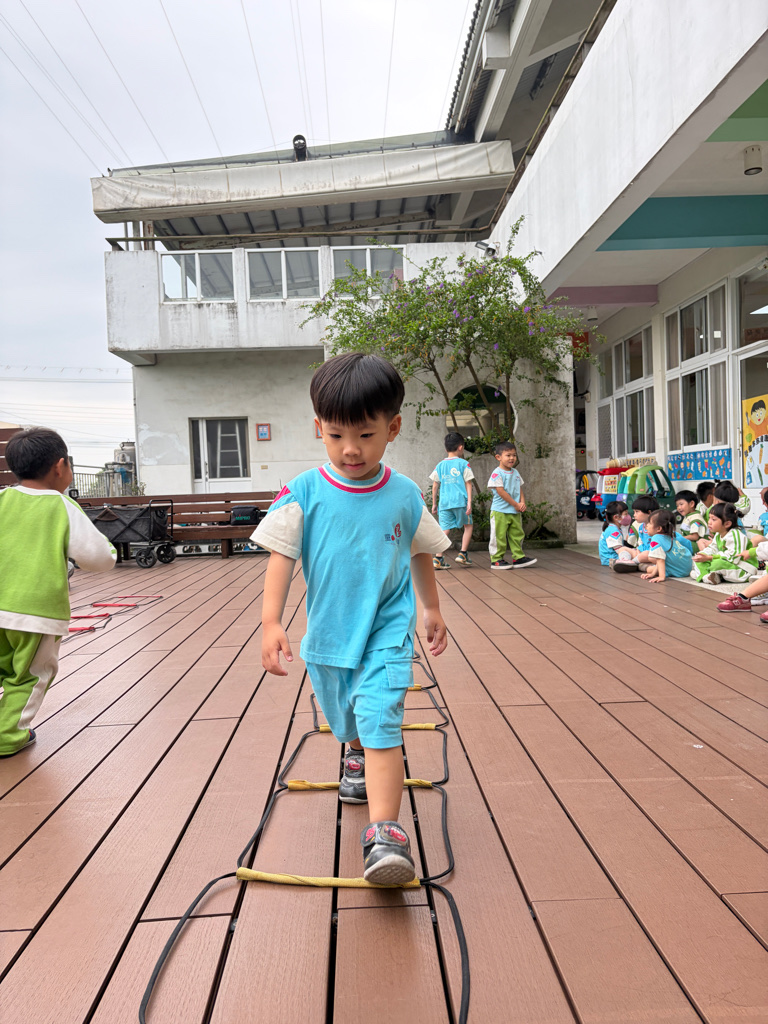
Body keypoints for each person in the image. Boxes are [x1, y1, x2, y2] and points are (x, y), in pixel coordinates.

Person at [252, 352, 450, 885]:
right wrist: (271, 622)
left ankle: (385, 834)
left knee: (381, 719)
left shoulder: (404, 494)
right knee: (348, 722)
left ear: (393, 428)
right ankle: (354, 753)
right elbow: (281, 557)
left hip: (386, 632)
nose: (350, 449)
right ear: (319, 427)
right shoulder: (304, 492)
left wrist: (430, 607)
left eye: (365, 435)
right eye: (336, 435)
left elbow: (420, 550)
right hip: (329, 637)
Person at [0, 427, 116, 757]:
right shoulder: (61, 506)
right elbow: (99, 559)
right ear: (60, 466)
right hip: (35, 612)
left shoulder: (2, 499)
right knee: (30, 675)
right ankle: (7, 735)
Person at [487, 441, 537, 570]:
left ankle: (518, 557)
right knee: (498, 536)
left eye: (514, 455)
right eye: (508, 455)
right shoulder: (497, 473)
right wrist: (516, 504)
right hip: (500, 511)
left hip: (515, 511)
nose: (512, 458)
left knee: (517, 535)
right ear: (498, 457)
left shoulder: (515, 472)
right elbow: (501, 491)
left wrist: (522, 503)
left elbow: (519, 489)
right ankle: (496, 560)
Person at [430, 431, 475, 569]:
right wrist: (469, 502)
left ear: (446, 449)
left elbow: (435, 485)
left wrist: (434, 503)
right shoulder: (464, 464)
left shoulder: (440, 465)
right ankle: (462, 554)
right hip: (460, 502)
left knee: (445, 529)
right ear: (460, 447)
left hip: (444, 503)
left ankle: (438, 558)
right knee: (468, 526)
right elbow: (468, 483)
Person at [690, 502, 758, 584]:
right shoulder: (718, 534)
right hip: (727, 564)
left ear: (727, 524)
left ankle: (702, 575)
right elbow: (712, 548)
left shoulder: (735, 535)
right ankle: (709, 576)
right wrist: (703, 555)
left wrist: (709, 558)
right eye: (709, 518)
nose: (709, 522)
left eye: (713, 519)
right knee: (699, 560)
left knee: (717, 564)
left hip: (742, 568)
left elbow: (733, 557)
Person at [640, 509, 694, 583]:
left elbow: (660, 559)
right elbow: (660, 558)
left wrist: (661, 577)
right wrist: (653, 574)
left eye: (650, 523)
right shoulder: (671, 535)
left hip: (679, 572)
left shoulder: (656, 539)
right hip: (687, 568)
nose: (647, 525)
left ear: (659, 528)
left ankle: (641, 566)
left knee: (647, 568)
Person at [613, 495, 659, 573]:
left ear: (649, 512)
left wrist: (641, 554)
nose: (634, 515)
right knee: (622, 549)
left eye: (637, 511)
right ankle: (625, 561)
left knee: (645, 554)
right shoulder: (641, 527)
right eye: (634, 512)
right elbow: (640, 542)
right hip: (641, 553)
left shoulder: (657, 527)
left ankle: (633, 563)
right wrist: (638, 550)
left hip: (652, 555)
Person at [598, 500, 632, 566]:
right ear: (616, 517)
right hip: (611, 560)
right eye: (625, 514)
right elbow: (619, 550)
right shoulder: (614, 531)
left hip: (608, 559)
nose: (628, 516)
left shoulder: (612, 528)